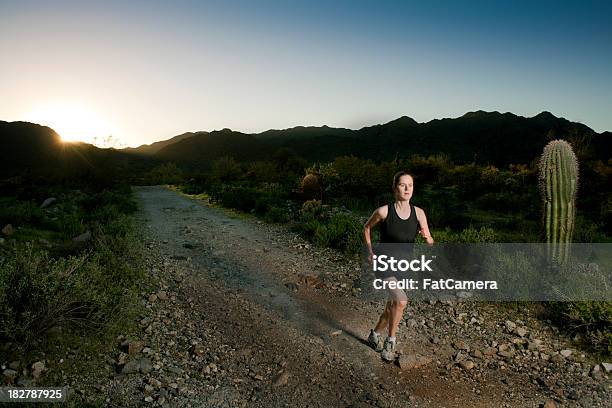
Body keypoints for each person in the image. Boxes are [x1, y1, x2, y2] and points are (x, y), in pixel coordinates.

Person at [363, 171, 434, 361]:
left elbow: (430, 241)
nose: (407, 189)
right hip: (385, 263)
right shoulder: (383, 211)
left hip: (404, 265)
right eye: (403, 185)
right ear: (395, 188)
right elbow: (367, 227)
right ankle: (390, 342)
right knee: (401, 301)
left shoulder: (419, 213)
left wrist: (427, 238)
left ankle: (374, 335)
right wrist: (369, 252)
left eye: (410, 185)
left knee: (392, 308)